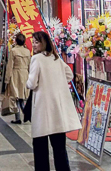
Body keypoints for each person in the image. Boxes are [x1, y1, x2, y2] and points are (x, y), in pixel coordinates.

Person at [26, 30, 81, 171]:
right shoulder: (56, 58)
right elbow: (69, 74)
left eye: (37, 42)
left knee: (40, 149)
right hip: (57, 110)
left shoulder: (36, 59)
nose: (34, 44)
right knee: (59, 149)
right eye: (33, 41)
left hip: (42, 111)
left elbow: (31, 84)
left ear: (44, 43)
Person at [5, 33, 32, 124]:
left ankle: (19, 117)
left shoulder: (13, 51)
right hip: (25, 74)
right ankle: (27, 115)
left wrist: (7, 79)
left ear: (16, 41)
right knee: (22, 96)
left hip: (15, 74)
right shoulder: (27, 51)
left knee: (15, 96)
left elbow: (10, 66)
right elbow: (29, 65)